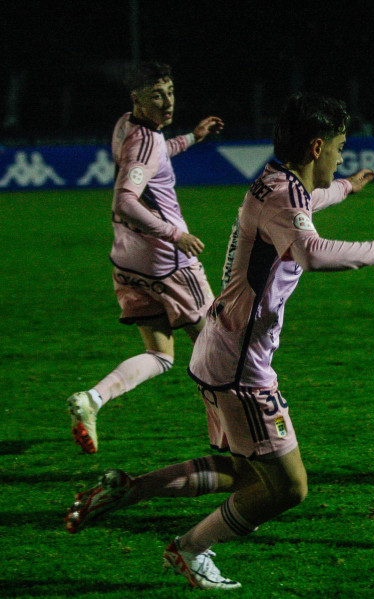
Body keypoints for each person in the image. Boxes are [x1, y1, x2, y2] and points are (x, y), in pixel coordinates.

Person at [64, 92, 374, 589]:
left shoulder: (273, 181)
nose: (342, 156)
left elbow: (303, 206)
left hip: (220, 348)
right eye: (340, 148)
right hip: (241, 367)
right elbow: (313, 252)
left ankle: (128, 490)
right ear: (317, 146)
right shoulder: (285, 196)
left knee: (243, 473)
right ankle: (191, 548)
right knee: (289, 489)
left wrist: (345, 187)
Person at [65, 61, 223, 454]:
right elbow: (125, 200)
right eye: (157, 94)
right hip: (168, 262)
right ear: (137, 99)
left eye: (170, 91)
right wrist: (176, 234)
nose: (168, 101)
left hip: (128, 263)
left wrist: (192, 137)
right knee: (220, 348)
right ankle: (233, 434)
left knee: (160, 355)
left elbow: (153, 157)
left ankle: (93, 399)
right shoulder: (147, 141)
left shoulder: (126, 126)